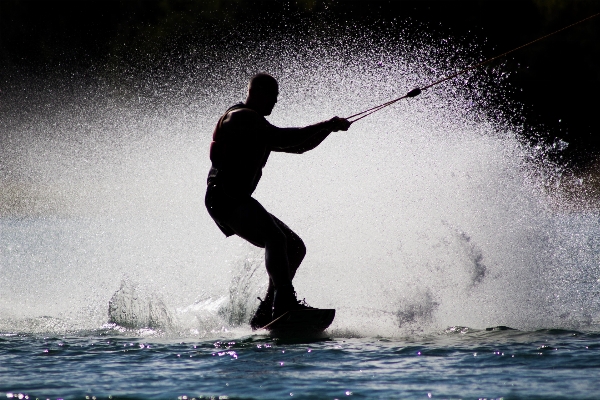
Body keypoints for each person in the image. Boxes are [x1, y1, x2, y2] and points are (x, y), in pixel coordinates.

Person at [205, 73, 351, 330]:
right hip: (224, 196)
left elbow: (299, 147)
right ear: (257, 92)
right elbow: (287, 138)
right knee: (276, 238)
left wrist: (328, 130)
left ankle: (267, 312)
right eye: (272, 96)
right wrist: (327, 124)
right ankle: (283, 301)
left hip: (235, 197)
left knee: (294, 247)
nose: (275, 102)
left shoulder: (257, 125)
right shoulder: (242, 118)